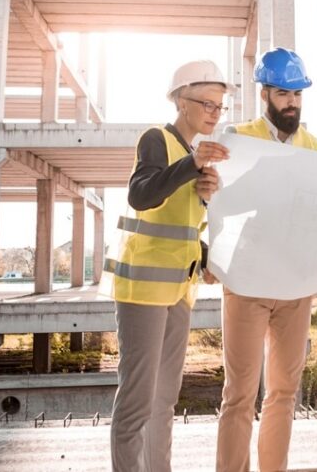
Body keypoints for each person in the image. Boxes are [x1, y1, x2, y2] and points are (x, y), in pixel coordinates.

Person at [107, 60, 232, 472]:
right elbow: (141, 196)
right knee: (138, 399)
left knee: (164, 399)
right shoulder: (157, 139)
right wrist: (190, 167)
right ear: (180, 100)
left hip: (179, 289)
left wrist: (207, 254)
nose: (214, 112)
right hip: (143, 289)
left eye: (220, 106)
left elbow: (181, 229)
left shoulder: (193, 156)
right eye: (206, 103)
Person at [216, 48, 317, 472]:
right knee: (239, 393)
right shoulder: (237, 138)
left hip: (296, 285)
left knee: (283, 393)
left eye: (298, 94)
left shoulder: (316, 148)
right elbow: (219, 205)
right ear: (265, 93)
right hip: (247, 282)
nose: (292, 102)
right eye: (284, 93)